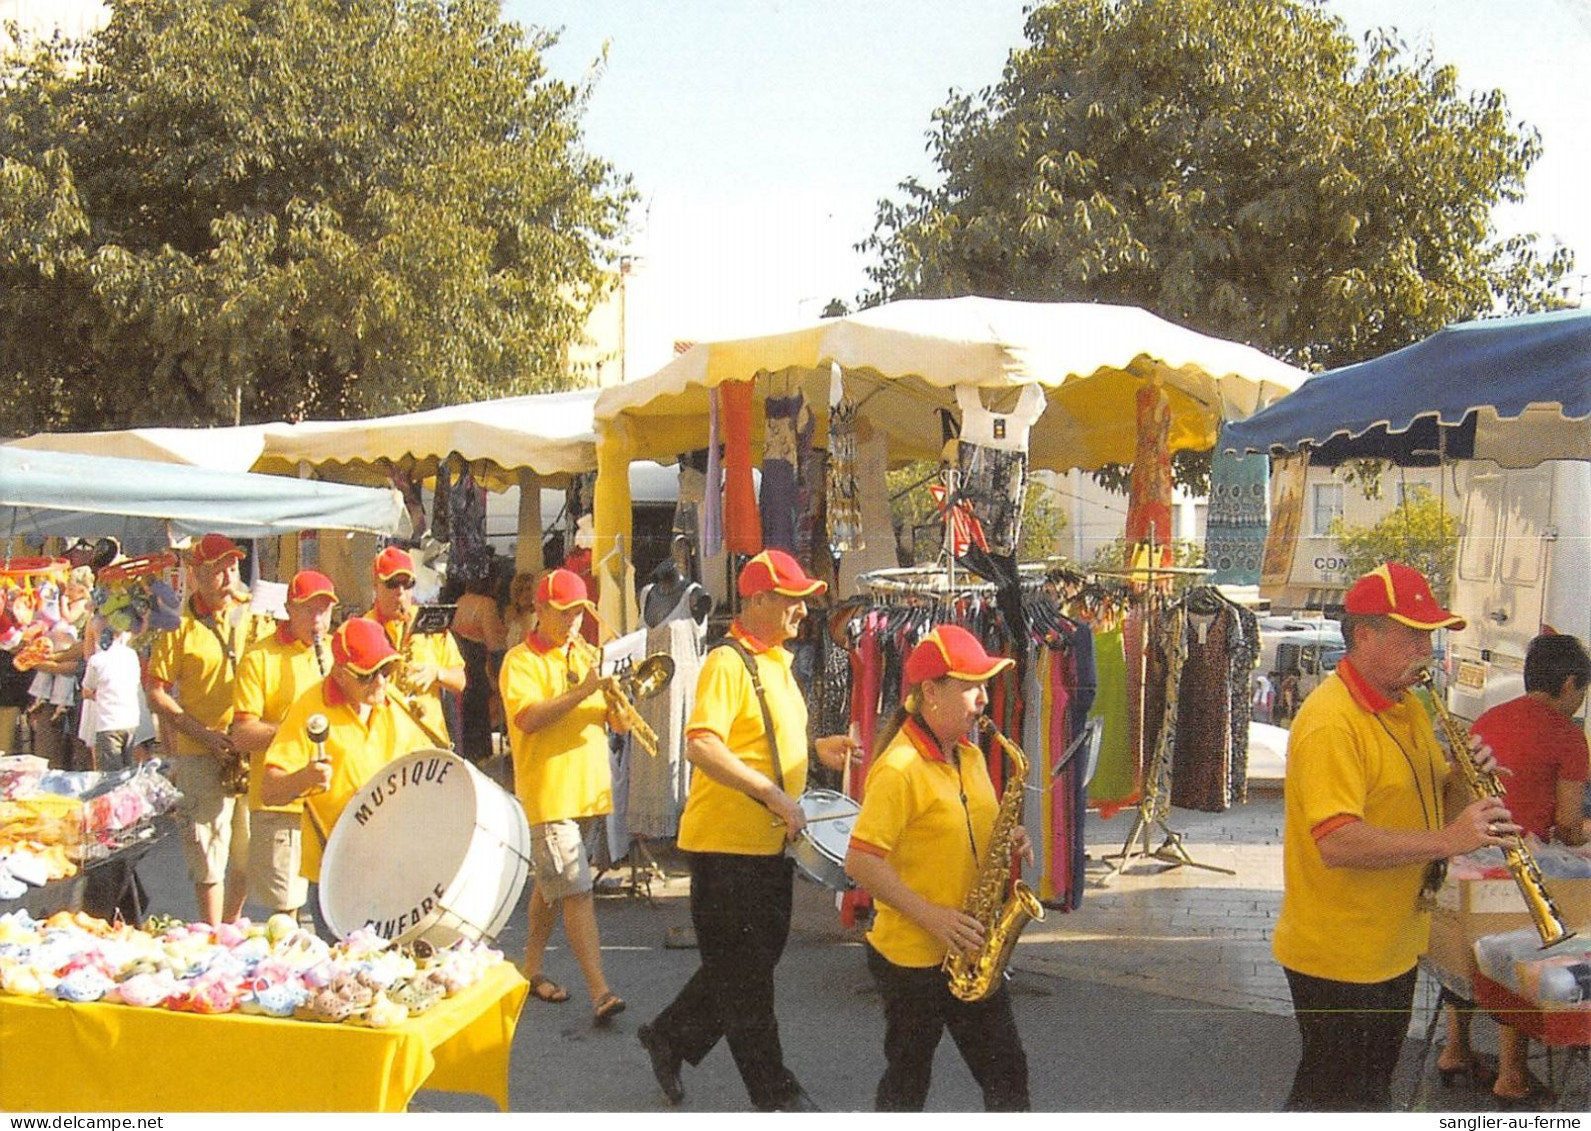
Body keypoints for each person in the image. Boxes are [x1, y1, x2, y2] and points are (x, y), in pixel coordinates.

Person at [1272, 561, 1519, 1111]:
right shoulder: (1331, 720)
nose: (1425, 649)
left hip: (1391, 944)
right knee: (1335, 1098)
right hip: (1340, 954)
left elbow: (1430, 807)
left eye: (1429, 635)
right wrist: (1450, 841)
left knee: (1364, 1094)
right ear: (1365, 635)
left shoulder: (1406, 706)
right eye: (1413, 634)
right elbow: (1337, 842)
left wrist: (1466, 783)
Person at [637, 549, 860, 1112]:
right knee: (747, 981)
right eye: (791, 600)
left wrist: (813, 751)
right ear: (758, 599)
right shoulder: (727, 663)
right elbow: (703, 744)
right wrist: (769, 792)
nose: (802, 611)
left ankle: (669, 1035)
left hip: (767, 845)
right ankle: (776, 1093)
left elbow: (755, 739)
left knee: (750, 965)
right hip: (725, 849)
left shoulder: (778, 662)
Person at [843, 624, 1033, 1111]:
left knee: (1008, 1076)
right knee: (907, 1085)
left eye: (985, 686)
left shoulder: (969, 755)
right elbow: (861, 861)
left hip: (971, 948)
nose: (983, 699)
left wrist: (1009, 838)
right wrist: (933, 916)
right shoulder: (899, 768)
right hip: (913, 959)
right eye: (971, 686)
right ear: (930, 692)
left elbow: (968, 829)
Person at [1439, 631, 1590, 1103]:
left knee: (1477, 932)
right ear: (1569, 684)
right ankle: (1512, 1074)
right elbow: (1567, 825)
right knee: (1546, 919)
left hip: (1462, 867)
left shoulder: (1488, 718)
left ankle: (1456, 1046)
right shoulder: (1568, 734)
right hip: (1515, 870)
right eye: (1582, 691)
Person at [499, 568, 627, 1024]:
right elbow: (529, 718)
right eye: (564, 613)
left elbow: (620, 724)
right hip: (549, 793)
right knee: (575, 890)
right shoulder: (520, 660)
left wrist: (619, 700)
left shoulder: (587, 653)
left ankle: (528, 970)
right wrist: (584, 690)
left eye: (578, 613)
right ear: (540, 609)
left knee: (551, 888)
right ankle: (601, 990)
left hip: (589, 791)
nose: (573, 622)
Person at [259, 616, 431, 933]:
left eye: (386, 670)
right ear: (340, 673)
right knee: (349, 976)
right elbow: (269, 790)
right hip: (337, 871)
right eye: (368, 675)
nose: (380, 681)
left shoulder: (390, 701)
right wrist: (305, 779)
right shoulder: (310, 707)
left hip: (393, 863)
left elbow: (425, 768)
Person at [146, 534, 269, 925]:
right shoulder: (177, 624)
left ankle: (230, 925)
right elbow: (155, 692)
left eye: (232, 566)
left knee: (250, 857)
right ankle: (213, 933)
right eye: (217, 568)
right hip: (202, 750)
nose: (227, 575)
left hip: (248, 749)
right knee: (207, 854)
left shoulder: (255, 612)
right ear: (197, 573)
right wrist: (202, 735)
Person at [229, 570, 337, 923]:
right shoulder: (260, 658)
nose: (318, 619)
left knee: (336, 911)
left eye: (324, 610)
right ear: (289, 608)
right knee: (285, 916)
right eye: (309, 609)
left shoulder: (337, 655)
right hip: (283, 803)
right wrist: (298, 732)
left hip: (332, 802)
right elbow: (242, 734)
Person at [363, 546, 465, 746]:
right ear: (375, 585)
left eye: (407, 584)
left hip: (429, 740)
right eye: (392, 584)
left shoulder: (431, 621)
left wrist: (438, 674)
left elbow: (460, 680)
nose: (400, 592)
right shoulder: (363, 628)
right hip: (384, 743)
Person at [452, 569, 508, 764]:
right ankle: (479, 759)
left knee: (465, 714)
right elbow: (495, 645)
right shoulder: (487, 605)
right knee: (478, 713)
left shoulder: (460, 601)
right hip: (478, 665)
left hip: (460, 661)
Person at [80, 618, 143, 771]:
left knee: (110, 778)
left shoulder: (96, 660)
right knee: (127, 774)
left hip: (108, 724)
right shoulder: (132, 655)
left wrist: (96, 694)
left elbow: (87, 689)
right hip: (130, 721)